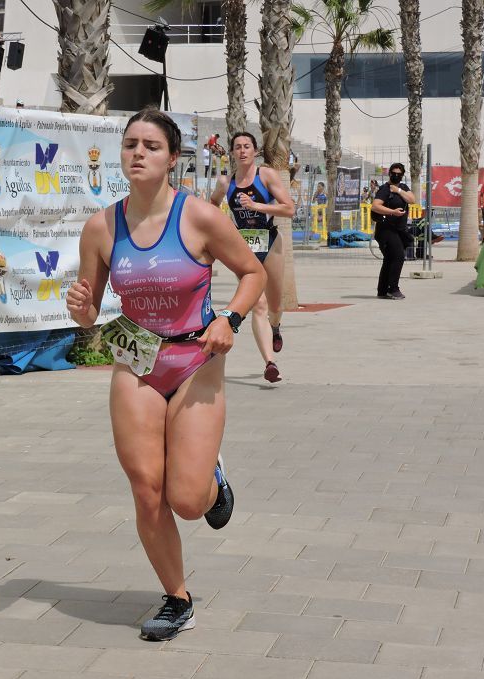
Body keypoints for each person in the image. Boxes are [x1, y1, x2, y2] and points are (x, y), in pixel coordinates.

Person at [66, 109, 265, 641]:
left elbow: (253, 272)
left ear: (173, 158)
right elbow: (87, 312)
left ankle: (211, 479)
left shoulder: (199, 217)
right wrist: (81, 306)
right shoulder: (101, 227)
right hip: (135, 362)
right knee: (146, 489)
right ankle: (177, 598)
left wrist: (232, 318)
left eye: (151, 146)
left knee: (186, 500)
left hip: (196, 361)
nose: (138, 153)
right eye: (130, 143)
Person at [210, 132, 295, 383]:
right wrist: (222, 227)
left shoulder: (266, 175)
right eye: (238, 147)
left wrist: (258, 206)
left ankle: (276, 326)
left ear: (255, 151)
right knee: (257, 304)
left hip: (269, 240)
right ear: (232, 153)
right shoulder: (225, 183)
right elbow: (211, 206)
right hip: (244, 245)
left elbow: (289, 209)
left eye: (247, 146)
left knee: (275, 305)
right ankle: (270, 363)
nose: (242, 151)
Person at [371, 162, 416, 300]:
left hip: (399, 230)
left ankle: (382, 290)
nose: (396, 176)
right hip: (386, 229)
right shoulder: (385, 189)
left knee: (389, 259)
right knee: (398, 257)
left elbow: (412, 200)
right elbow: (375, 206)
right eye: (393, 173)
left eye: (399, 174)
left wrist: (398, 191)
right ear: (389, 173)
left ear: (402, 175)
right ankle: (393, 289)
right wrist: (392, 212)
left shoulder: (402, 187)